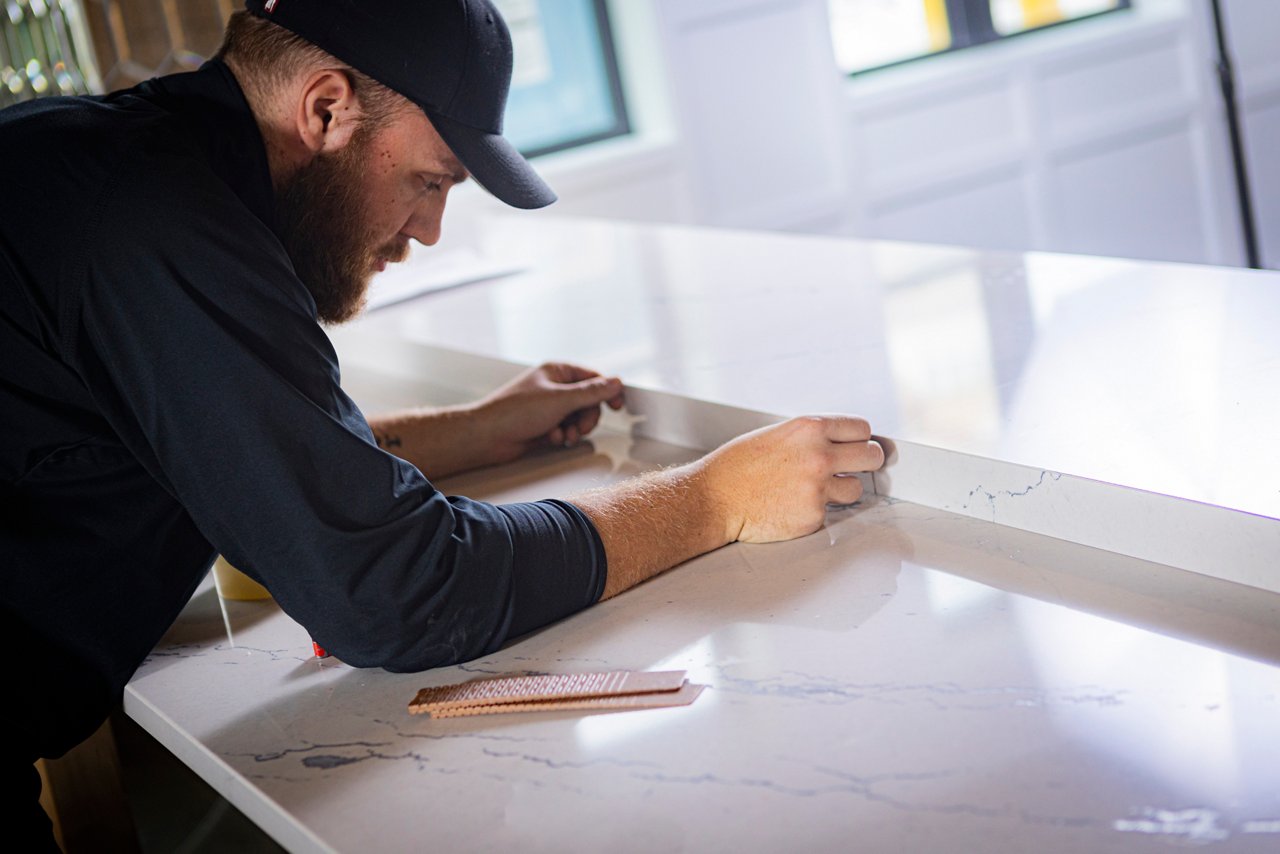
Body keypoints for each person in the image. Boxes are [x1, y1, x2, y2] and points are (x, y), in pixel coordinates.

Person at [0, 0, 884, 844]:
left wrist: (477, 429)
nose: (427, 228)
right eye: (430, 181)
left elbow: (237, 442)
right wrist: (712, 498)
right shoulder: (167, 222)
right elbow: (397, 595)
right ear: (327, 107)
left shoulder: (98, 163)